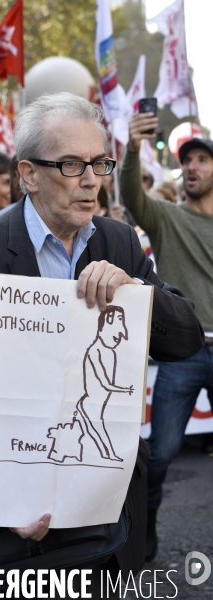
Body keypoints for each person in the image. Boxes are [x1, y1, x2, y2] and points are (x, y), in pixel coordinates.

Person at [0, 92, 203, 598]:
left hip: (108, 517)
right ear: (28, 174)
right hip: (16, 530)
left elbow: (184, 340)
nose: (92, 179)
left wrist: (138, 296)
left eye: (99, 162)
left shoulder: (118, 242)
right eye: (72, 164)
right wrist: (2, 497)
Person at [119, 112, 213, 562]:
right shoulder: (167, 218)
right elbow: (131, 196)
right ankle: (146, 526)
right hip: (183, 354)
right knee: (161, 453)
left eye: (202, 160)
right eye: (187, 161)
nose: (192, 167)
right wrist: (133, 148)